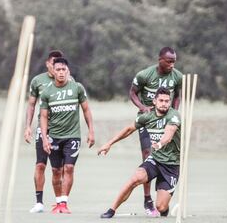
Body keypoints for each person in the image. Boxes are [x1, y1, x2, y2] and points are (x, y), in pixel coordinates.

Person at [98, 87, 181, 218]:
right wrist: (109, 143)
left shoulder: (174, 115)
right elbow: (128, 129)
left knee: (161, 207)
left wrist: (159, 144)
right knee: (135, 179)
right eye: (161, 100)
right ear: (155, 101)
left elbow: (168, 135)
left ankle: (164, 208)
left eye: (167, 101)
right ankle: (111, 210)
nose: (164, 103)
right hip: (155, 159)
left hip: (171, 165)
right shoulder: (147, 116)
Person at [129, 46, 182, 215]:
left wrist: (174, 112)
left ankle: (163, 195)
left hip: (167, 122)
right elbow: (132, 93)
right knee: (148, 154)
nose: (172, 65)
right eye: (169, 61)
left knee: (166, 155)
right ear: (160, 60)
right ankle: (147, 199)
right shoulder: (145, 75)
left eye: (174, 61)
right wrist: (142, 107)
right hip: (149, 121)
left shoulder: (177, 76)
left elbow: (178, 95)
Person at [40, 57, 95, 214]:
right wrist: (44, 138)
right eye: (58, 70)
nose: (61, 72)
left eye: (64, 69)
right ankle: (58, 203)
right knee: (56, 171)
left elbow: (86, 110)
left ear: (68, 71)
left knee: (69, 167)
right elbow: (43, 117)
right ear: (53, 71)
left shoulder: (77, 88)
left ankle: (64, 203)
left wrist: (91, 131)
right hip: (54, 136)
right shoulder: (47, 92)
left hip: (73, 136)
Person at [24, 50, 65, 213]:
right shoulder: (37, 81)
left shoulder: (68, 80)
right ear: (48, 64)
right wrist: (28, 126)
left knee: (58, 169)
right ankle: (39, 202)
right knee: (40, 165)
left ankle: (60, 202)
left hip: (60, 132)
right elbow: (32, 105)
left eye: (59, 64)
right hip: (43, 131)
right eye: (53, 63)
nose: (56, 67)